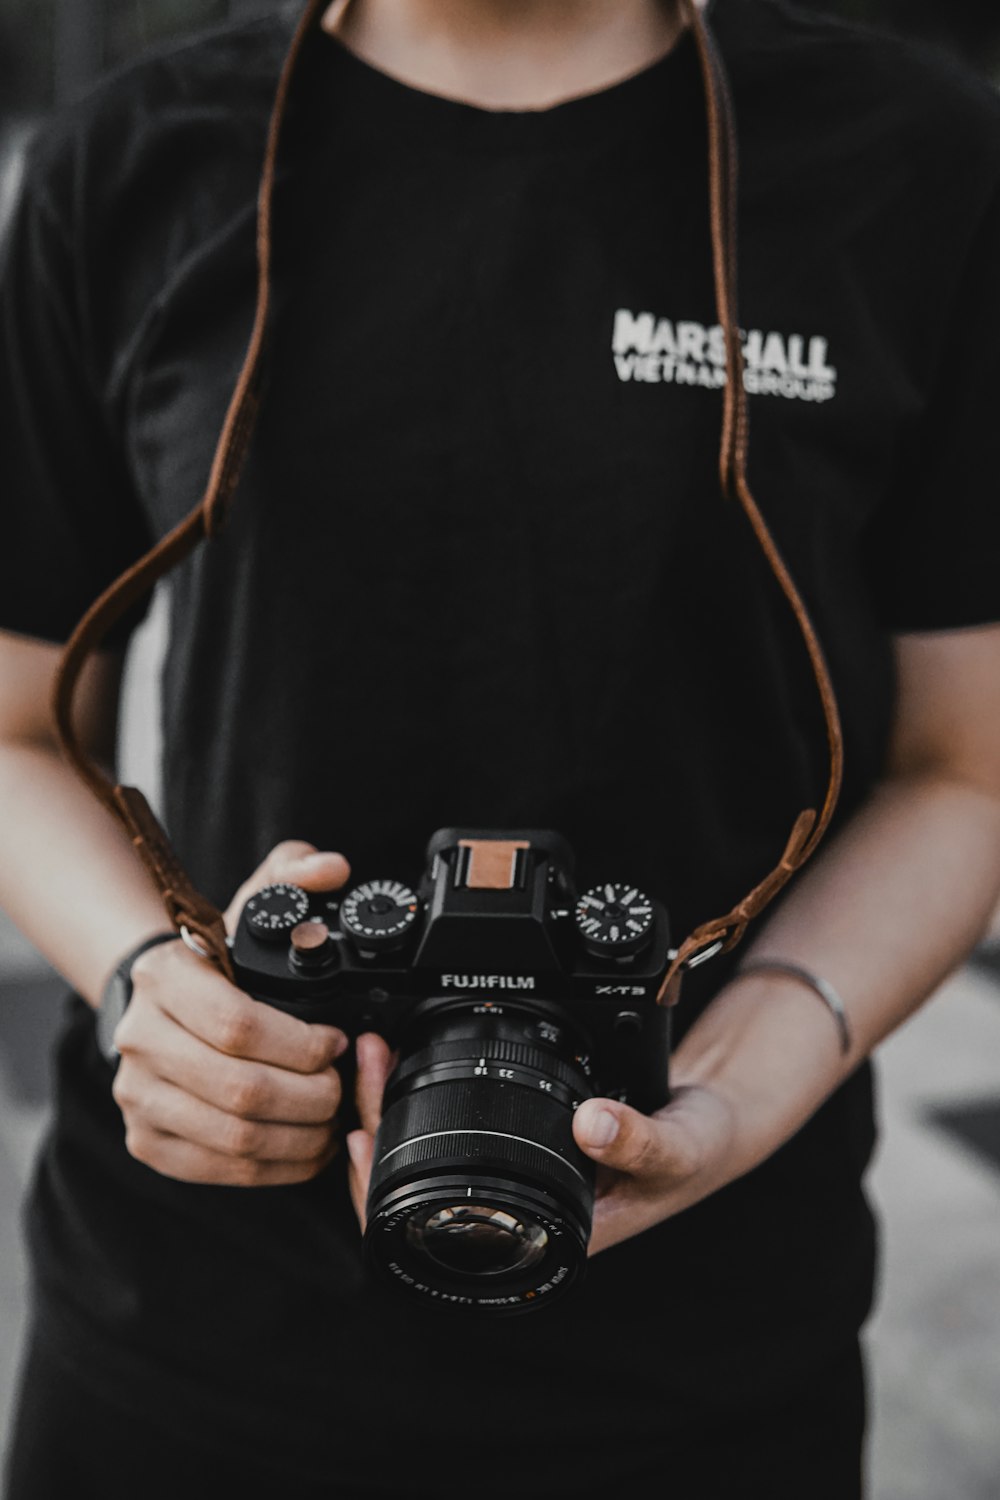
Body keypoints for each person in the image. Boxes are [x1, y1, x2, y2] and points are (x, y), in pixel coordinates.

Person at [1, 0, 999, 1495]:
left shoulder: (918, 156)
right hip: (191, 1321)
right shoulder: (129, 157)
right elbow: (17, 731)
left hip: (712, 1349)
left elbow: (965, 767)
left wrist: (747, 1071)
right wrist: (156, 983)